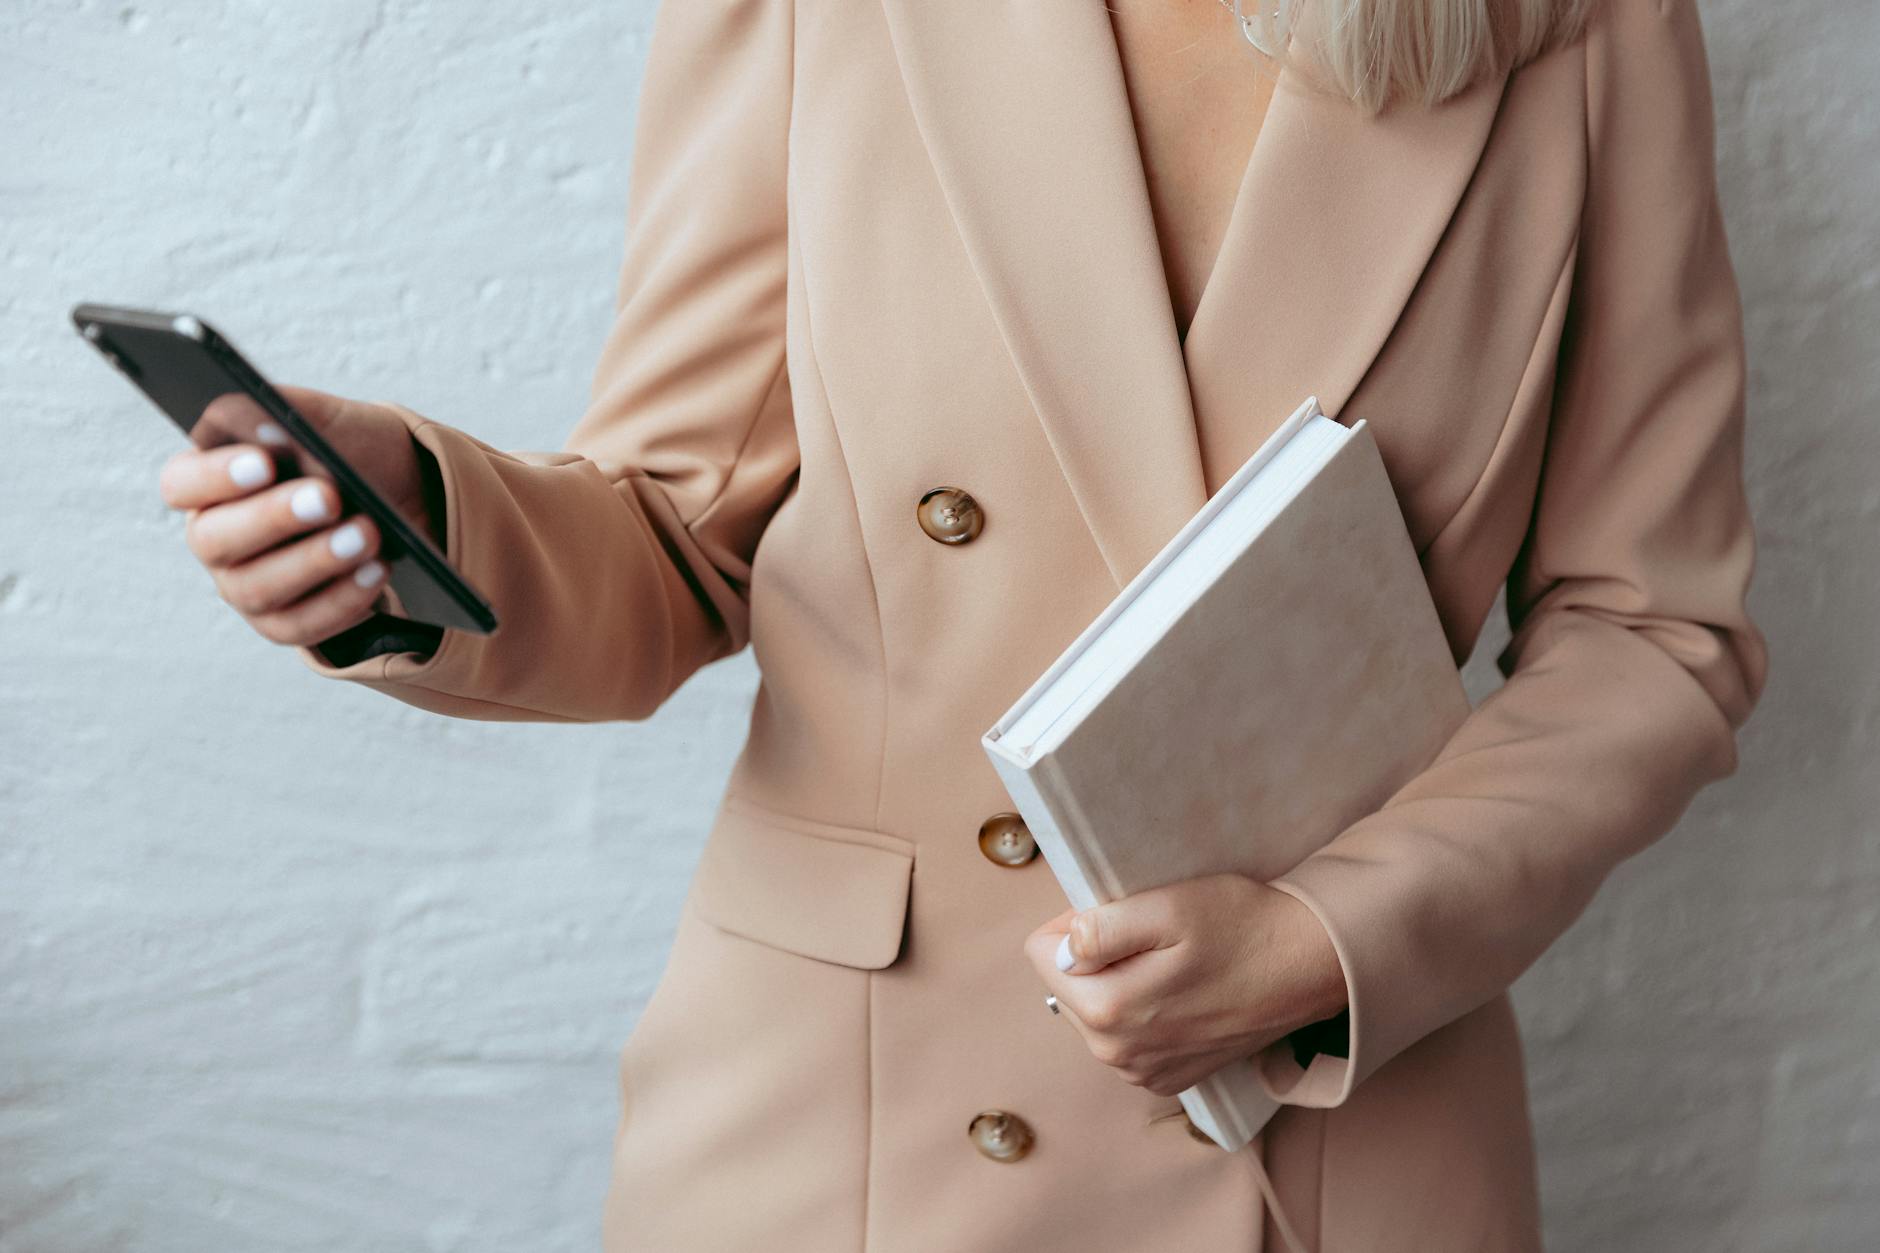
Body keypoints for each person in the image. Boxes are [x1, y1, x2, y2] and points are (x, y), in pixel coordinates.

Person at [155, 0, 1770, 1248]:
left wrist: (1331, 940)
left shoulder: (1573, 22)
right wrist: (419, 530)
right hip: (850, 1138)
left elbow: (1655, 625)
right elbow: (672, 531)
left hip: (1330, 1136)